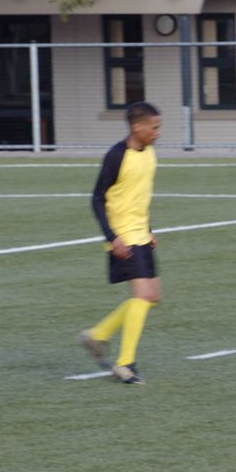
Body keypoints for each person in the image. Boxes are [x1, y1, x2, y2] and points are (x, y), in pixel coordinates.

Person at [78, 102, 163, 385]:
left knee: (152, 296)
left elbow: (137, 196)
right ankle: (125, 364)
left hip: (141, 234)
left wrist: (149, 229)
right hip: (123, 237)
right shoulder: (117, 156)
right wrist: (112, 237)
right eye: (154, 127)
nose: (157, 133)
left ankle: (97, 335)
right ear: (136, 126)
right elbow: (97, 198)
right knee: (142, 296)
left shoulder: (150, 154)